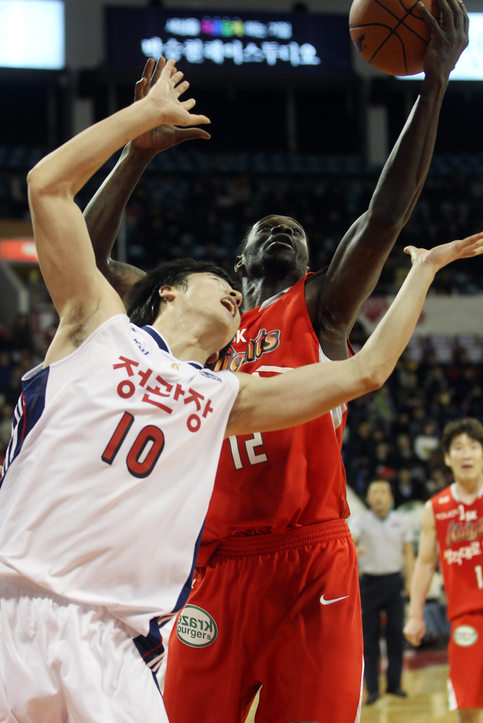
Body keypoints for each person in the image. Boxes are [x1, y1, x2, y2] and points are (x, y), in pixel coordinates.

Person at [3, 58, 481, 723]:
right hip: (215, 562)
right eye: (268, 230)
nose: (284, 229)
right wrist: (137, 153)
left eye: (298, 233)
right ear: (230, 269)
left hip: (308, 552)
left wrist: (432, 86)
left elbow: (383, 217)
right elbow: (88, 250)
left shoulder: (318, 309)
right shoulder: (186, 341)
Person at [404, 418, 483, 723]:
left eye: (474, 447)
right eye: (458, 448)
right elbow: (425, 563)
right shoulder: (435, 508)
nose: (467, 454)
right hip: (465, 620)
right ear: (448, 458)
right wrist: (414, 614)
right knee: (468, 709)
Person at [350, 479, 415, 704]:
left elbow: (408, 552)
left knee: (396, 633)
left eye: (383, 491)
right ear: (368, 498)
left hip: (394, 582)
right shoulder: (360, 521)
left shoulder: (401, 521)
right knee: (369, 637)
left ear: (391, 497)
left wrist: (410, 582)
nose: (378, 495)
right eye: (374, 491)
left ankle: (395, 684)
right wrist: (355, 550)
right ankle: (373, 689)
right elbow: (350, 544)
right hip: (369, 584)